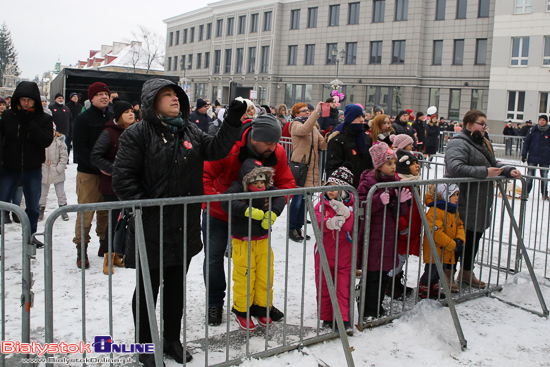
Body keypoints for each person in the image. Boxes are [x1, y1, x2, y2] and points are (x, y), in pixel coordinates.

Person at [112, 79, 246, 367]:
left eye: (176, 94)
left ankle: (172, 339)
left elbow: (215, 149)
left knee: (176, 286)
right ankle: (145, 344)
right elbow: (122, 179)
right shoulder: (137, 134)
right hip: (151, 227)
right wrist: (148, 209)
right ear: (151, 102)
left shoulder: (189, 128)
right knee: (149, 287)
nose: (174, 99)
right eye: (167, 95)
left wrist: (232, 120)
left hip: (183, 225)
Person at [202, 113, 295, 327]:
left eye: (276, 142)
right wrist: (223, 203)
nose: (273, 146)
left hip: (253, 222)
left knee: (259, 265)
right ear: (254, 136)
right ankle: (214, 302)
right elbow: (204, 177)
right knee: (215, 258)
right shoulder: (229, 147)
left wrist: (273, 205)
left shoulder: (277, 152)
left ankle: (259, 304)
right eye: (268, 142)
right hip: (219, 215)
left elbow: (287, 183)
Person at [445, 110, 522, 289]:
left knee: (474, 237)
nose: (484, 127)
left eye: (485, 124)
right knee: (457, 239)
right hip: (461, 199)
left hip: (480, 200)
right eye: (481, 123)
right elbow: (455, 168)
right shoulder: (457, 142)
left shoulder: (483, 141)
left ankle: (466, 273)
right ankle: (447, 274)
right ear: (469, 125)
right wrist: (484, 172)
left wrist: (507, 170)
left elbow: (492, 163)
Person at [220, 159, 286, 331]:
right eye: (254, 182)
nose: (259, 185)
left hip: (263, 241)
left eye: (261, 182)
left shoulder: (269, 190)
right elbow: (225, 201)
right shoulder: (238, 188)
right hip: (243, 242)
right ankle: (242, 312)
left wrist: (273, 213)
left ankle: (261, 309)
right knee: (244, 278)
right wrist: (247, 211)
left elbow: (280, 197)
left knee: (264, 276)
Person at [357, 142, 410, 320]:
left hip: (389, 236)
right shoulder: (369, 181)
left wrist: (402, 202)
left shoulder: (396, 182)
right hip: (373, 236)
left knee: (383, 275)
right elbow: (361, 206)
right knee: (371, 275)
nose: (393, 167)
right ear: (379, 165)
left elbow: (401, 212)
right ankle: (367, 310)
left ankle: (377, 307)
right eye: (389, 163)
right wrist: (378, 200)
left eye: (394, 163)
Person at [0, 81, 53, 247]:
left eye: (29, 99)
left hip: (32, 170)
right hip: (9, 168)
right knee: (2, 206)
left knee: (33, 207)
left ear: (35, 100)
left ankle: (30, 237)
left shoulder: (44, 118)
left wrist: (30, 123)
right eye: (22, 99)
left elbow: (46, 140)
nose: (25, 103)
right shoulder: (8, 116)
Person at [90, 101, 135, 275]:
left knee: (125, 222)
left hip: (131, 186)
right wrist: (114, 170)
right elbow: (96, 156)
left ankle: (118, 253)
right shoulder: (108, 133)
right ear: (118, 115)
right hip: (112, 186)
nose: (131, 114)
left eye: (131, 110)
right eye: (126, 111)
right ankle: (108, 257)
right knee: (113, 222)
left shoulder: (136, 132)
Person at [72, 82, 112, 269]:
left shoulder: (112, 117)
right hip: (88, 173)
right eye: (99, 94)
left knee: (106, 212)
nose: (104, 97)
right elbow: (80, 148)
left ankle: (104, 245)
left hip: (108, 174)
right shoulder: (83, 119)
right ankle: (81, 249)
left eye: (106, 94)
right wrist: (98, 166)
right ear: (91, 98)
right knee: (86, 213)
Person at [314, 166, 355, 335]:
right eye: (329, 184)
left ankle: (342, 318)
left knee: (342, 287)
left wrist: (344, 215)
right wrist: (329, 223)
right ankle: (327, 317)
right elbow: (319, 222)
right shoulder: (321, 204)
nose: (331, 189)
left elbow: (348, 225)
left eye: (335, 186)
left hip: (344, 254)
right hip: (323, 253)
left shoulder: (352, 205)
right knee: (324, 285)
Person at [287, 102, 328, 242]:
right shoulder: (295, 125)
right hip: (300, 168)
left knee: (306, 201)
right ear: (297, 114)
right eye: (304, 111)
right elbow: (304, 130)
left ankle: (299, 227)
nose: (307, 112)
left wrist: (331, 135)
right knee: (297, 200)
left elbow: (323, 144)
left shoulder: (314, 129)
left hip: (312, 168)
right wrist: (317, 113)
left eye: (308, 110)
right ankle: (292, 228)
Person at [386, 149, 421, 299]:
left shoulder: (413, 182)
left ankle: (396, 281)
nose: (417, 166)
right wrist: (403, 226)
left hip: (411, 226)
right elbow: (397, 209)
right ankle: (390, 285)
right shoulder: (401, 184)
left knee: (403, 256)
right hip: (403, 229)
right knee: (398, 257)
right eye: (413, 164)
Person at [419, 184, 465, 298]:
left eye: (457, 194)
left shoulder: (454, 211)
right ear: (445, 195)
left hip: (447, 250)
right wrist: (452, 244)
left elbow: (460, 225)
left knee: (441, 270)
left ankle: (434, 287)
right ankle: (424, 287)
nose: (457, 197)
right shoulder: (434, 211)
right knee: (432, 271)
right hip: (435, 250)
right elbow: (436, 233)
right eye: (453, 195)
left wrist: (460, 239)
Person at [326, 104, 372, 188]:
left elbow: (370, 164)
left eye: (363, 116)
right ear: (350, 118)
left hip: (364, 186)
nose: (362, 120)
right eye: (358, 117)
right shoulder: (338, 139)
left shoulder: (367, 138)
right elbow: (332, 167)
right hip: (345, 187)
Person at [38, 124, 69, 222]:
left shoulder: (59, 142)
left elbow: (64, 157)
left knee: (60, 193)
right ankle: (40, 209)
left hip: (56, 170)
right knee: (42, 193)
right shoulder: (41, 141)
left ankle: (63, 209)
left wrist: (58, 169)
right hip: (45, 170)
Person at [521, 115, 550, 199]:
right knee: (530, 175)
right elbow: (526, 142)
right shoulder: (532, 130)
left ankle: (544, 194)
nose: (541, 121)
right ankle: (526, 192)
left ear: (546, 121)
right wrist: (524, 154)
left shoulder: (549, 131)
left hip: (545, 157)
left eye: (543, 120)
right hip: (533, 156)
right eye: (540, 120)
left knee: (544, 177)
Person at [49, 93, 73, 160]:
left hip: (65, 133)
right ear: (55, 99)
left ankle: (65, 160)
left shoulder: (66, 109)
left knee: (65, 148)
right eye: (59, 98)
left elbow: (70, 120)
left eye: (62, 98)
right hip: (55, 134)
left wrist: (71, 131)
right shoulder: (51, 108)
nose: (61, 99)